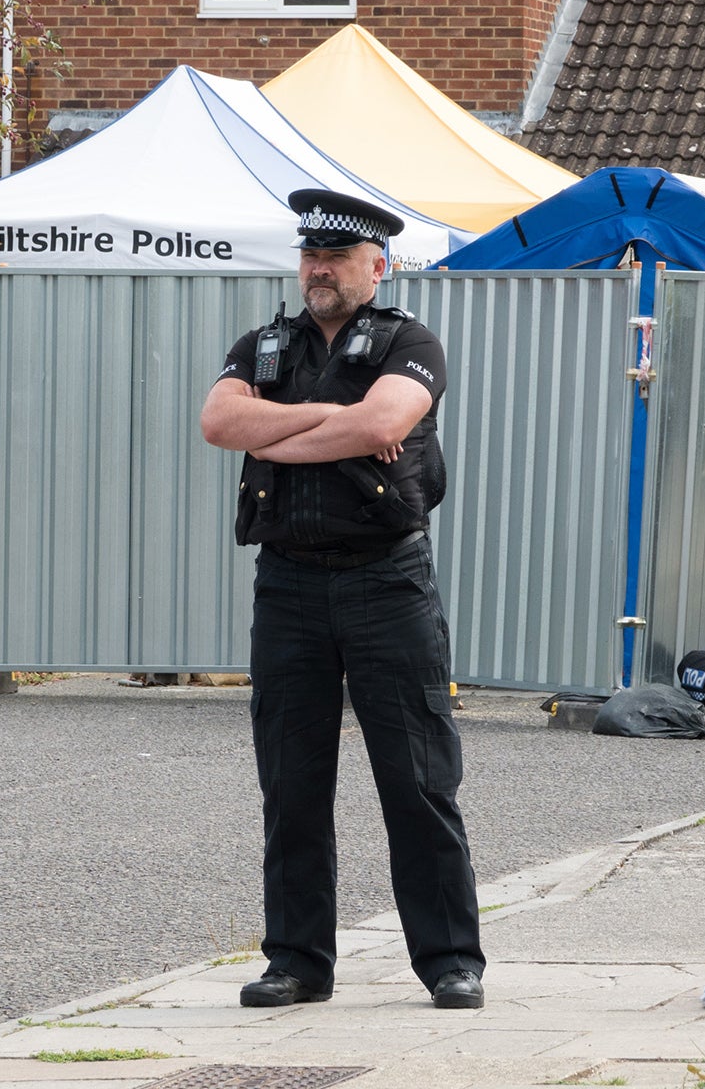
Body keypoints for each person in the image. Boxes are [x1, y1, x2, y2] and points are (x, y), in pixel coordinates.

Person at [199, 188, 486, 1012]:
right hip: (287, 583)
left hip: (384, 581)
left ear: (376, 265)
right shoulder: (263, 346)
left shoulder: (410, 340)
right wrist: (338, 415)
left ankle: (449, 962)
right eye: (309, 256)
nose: (317, 269)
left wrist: (285, 430)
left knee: (418, 779)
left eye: (336, 257)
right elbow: (220, 423)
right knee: (291, 783)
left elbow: (384, 422)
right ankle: (297, 962)